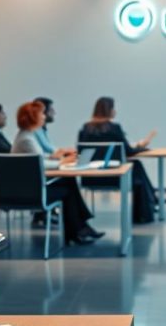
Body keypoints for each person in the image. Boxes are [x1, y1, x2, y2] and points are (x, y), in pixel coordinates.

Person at [12, 101, 103, 245]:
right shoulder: (26, 139)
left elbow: (38, 158)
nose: (44, 116)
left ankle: (80, 229)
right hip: (31, 193)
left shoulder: (26, 136)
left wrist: (58, 158)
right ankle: (79, 229)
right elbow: (39, 164)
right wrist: (62, 162)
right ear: (32, 117)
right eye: (41, 113)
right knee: (67, 188)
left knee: (68, 183)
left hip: (28, 188)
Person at [78, 97, 159, 223]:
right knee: (136, 167)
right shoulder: (114, 128)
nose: (115, 111)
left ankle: (153, 197)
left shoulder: (85, 128)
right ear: (109, 110)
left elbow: (80, 151)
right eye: (113, 108)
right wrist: (142, 148)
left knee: (136, 166)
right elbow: (127, 151)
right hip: (116, 177)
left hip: (90, 178)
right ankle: (150, 201)